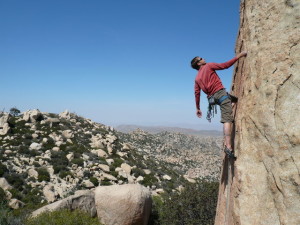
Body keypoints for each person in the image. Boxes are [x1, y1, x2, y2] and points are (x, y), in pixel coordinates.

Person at [191, 52, 247, 158]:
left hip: (212, 99)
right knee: (227, 120)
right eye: (201, 58)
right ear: (198, 63)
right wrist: (239, 56)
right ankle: (228, 146)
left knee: (233, 99)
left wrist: (197, 108)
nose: (204, 58)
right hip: (220, 94)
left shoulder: (197, 78)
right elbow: (225, 65)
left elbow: (197, 93)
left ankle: (233, 101)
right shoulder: (209, 66)